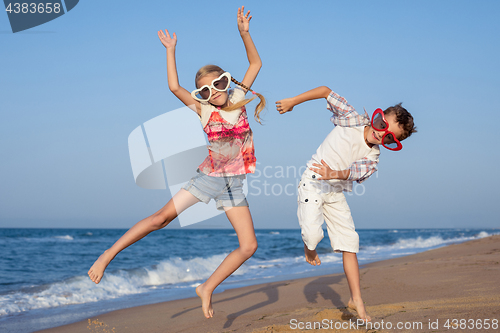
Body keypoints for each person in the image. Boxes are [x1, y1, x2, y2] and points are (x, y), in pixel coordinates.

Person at [88, 6, 265, 319]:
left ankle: (206, 287)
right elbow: (173, 87)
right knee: (161, 218)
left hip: (234, 183)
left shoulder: (238, 98)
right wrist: (171, 51)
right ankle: (107, 255)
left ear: (226, 81)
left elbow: (255, 62)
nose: (215, 92)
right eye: (206, 90)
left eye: (219, 84)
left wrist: (244, 33)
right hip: (208, 176)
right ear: (202, 95)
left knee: (249, 246)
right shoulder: (203, 109)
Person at [276, 86, 416, 322]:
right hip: (312, 182)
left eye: (390, 137)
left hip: (335, 192)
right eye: (382, 125)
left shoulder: (373, 158)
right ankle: (309, 248)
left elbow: (354, 172)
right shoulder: (350, 119)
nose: (382, 135)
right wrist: (293, 101)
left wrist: (334, 173)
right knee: (312, 235)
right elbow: (325, 91)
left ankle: (356, 299)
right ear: (377, 117)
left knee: (350, 242)